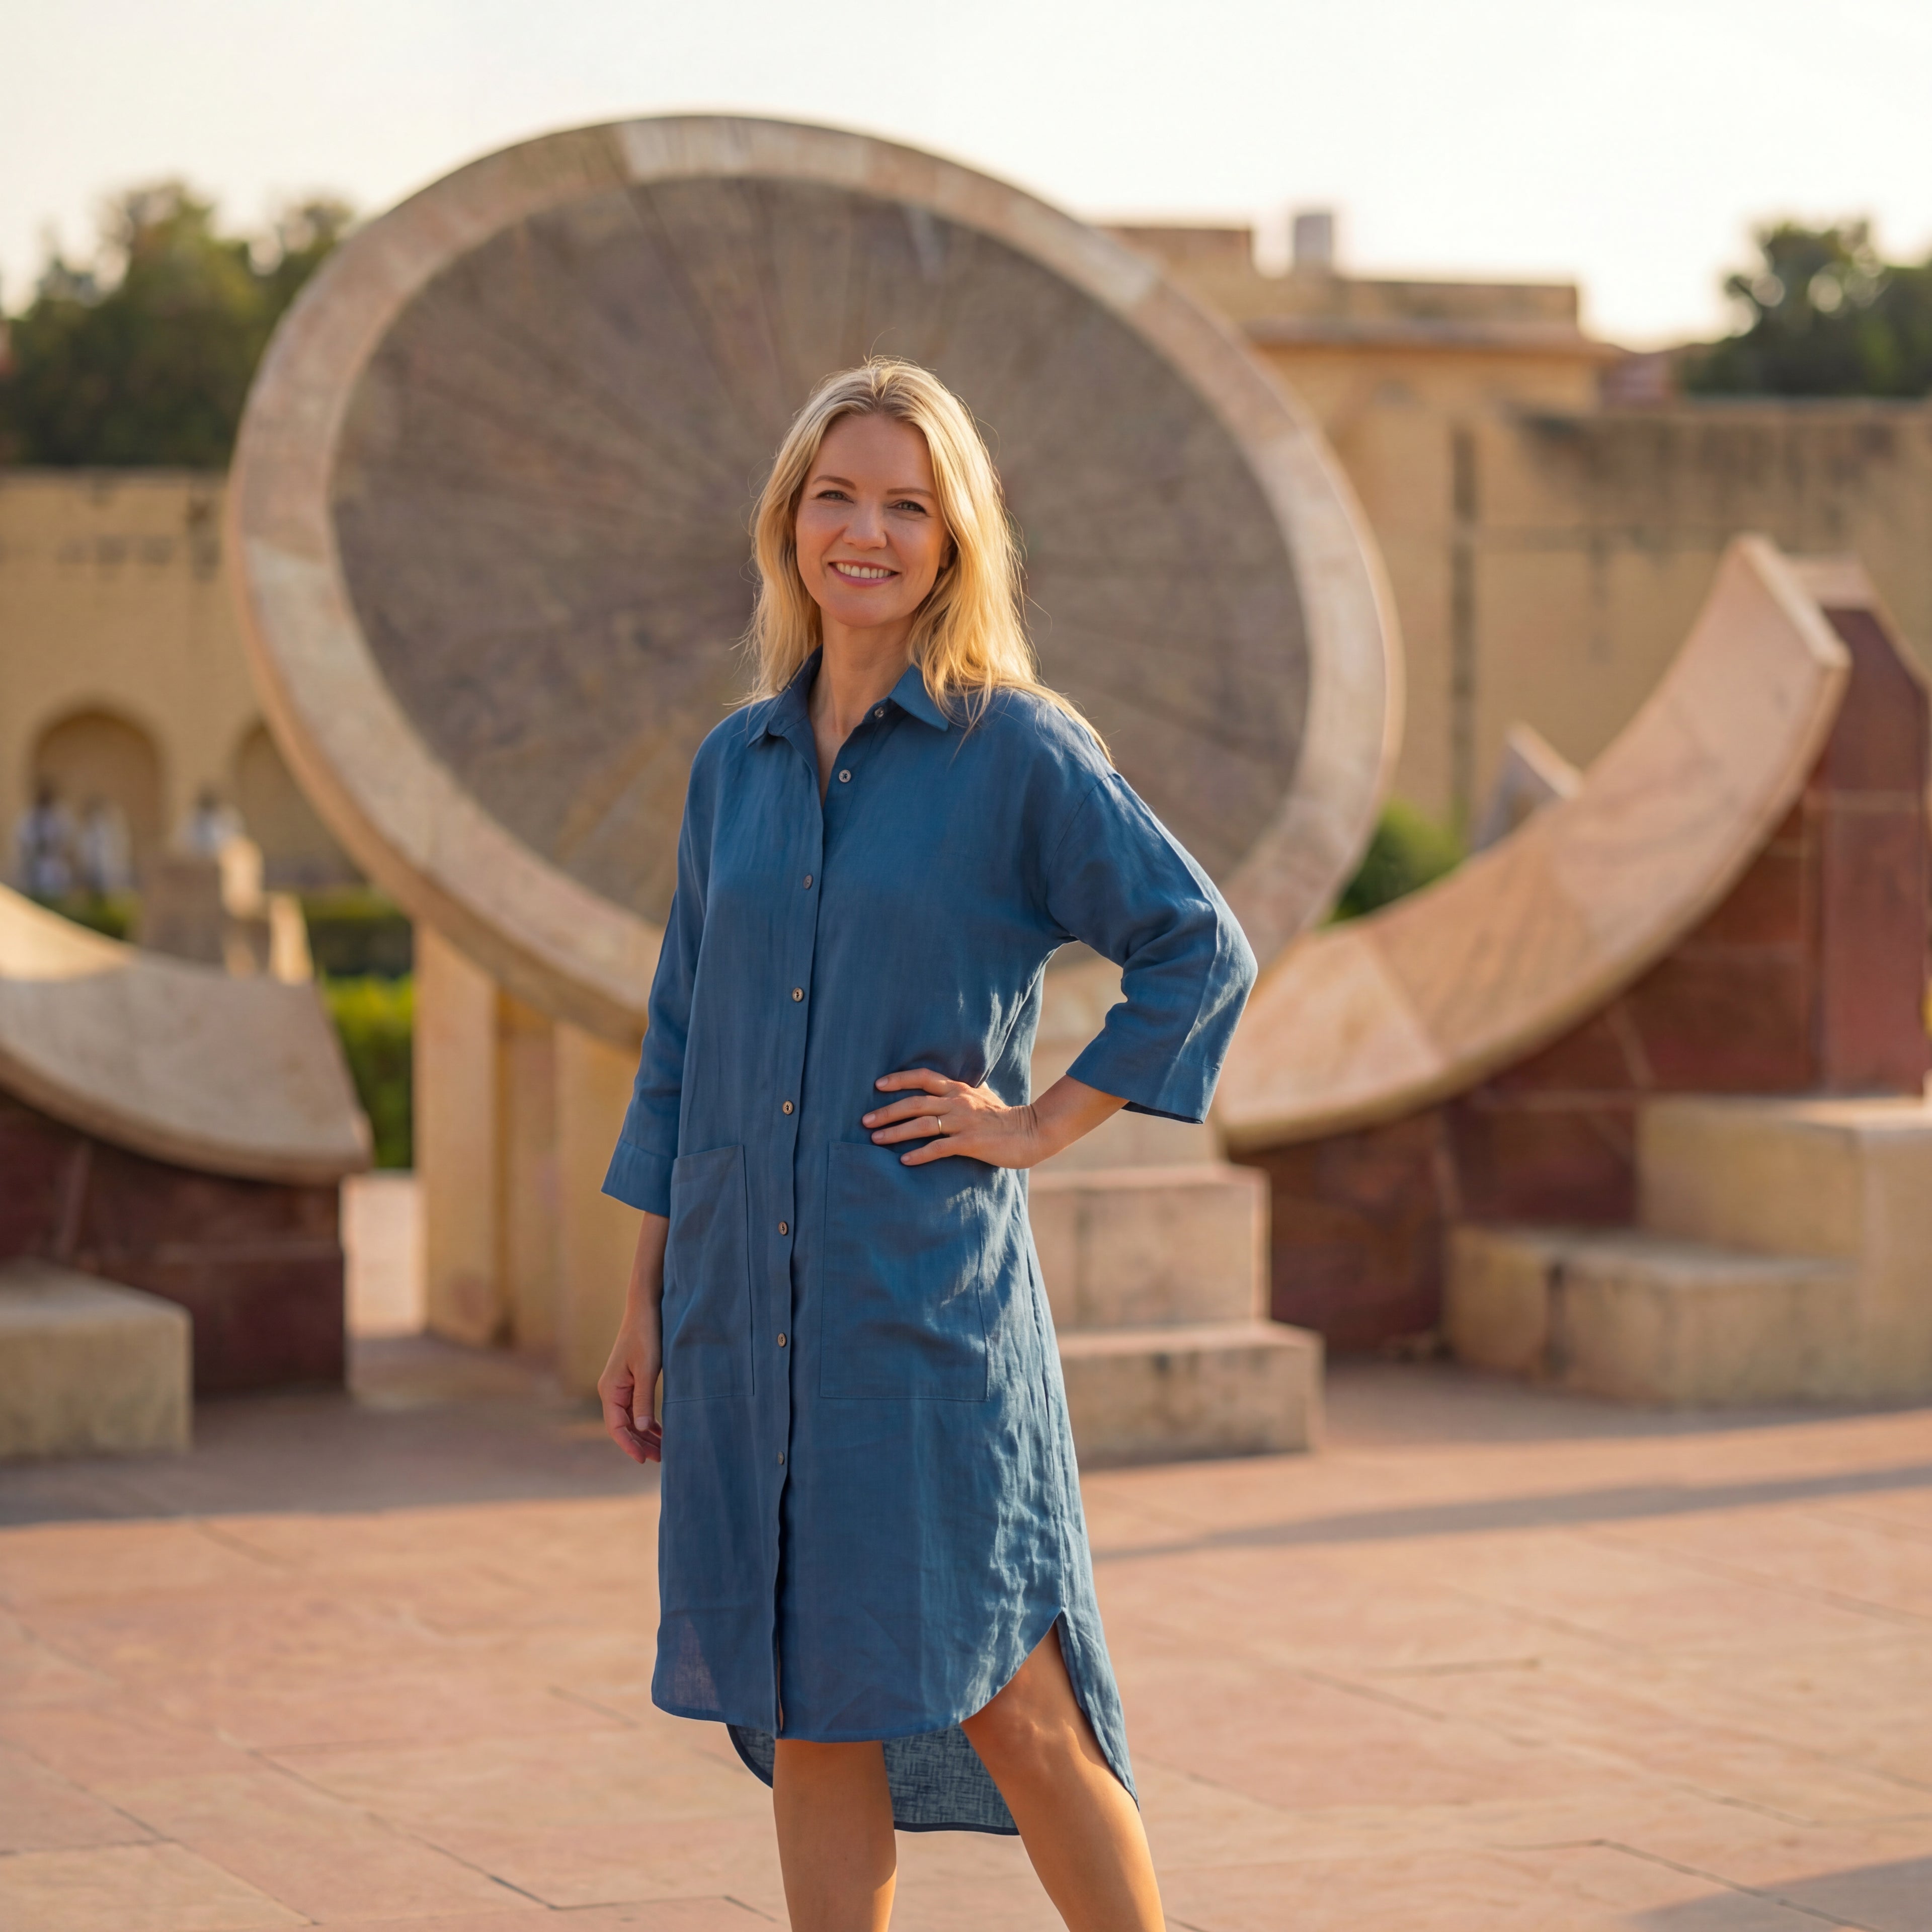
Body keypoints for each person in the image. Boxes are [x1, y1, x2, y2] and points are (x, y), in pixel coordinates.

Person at [596, 360, 1256, 1932]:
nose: (866, 532)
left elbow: (1195, 945)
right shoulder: (729, 767)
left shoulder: (1012, 750)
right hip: (743, 1312)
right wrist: (643, 1297)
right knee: (813, 1706)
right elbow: (681, 1042)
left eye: (907, 505)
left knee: (1011, 1701)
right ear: (788, 522)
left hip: (919, 1317)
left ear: (954, 541)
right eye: (837, 496)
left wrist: (1038, 1121)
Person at [14, 781, 77, 898]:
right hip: (36, 862)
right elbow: (24, 839)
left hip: (56, 862)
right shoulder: (31, 815)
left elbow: (68, 839)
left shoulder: (60, 814)